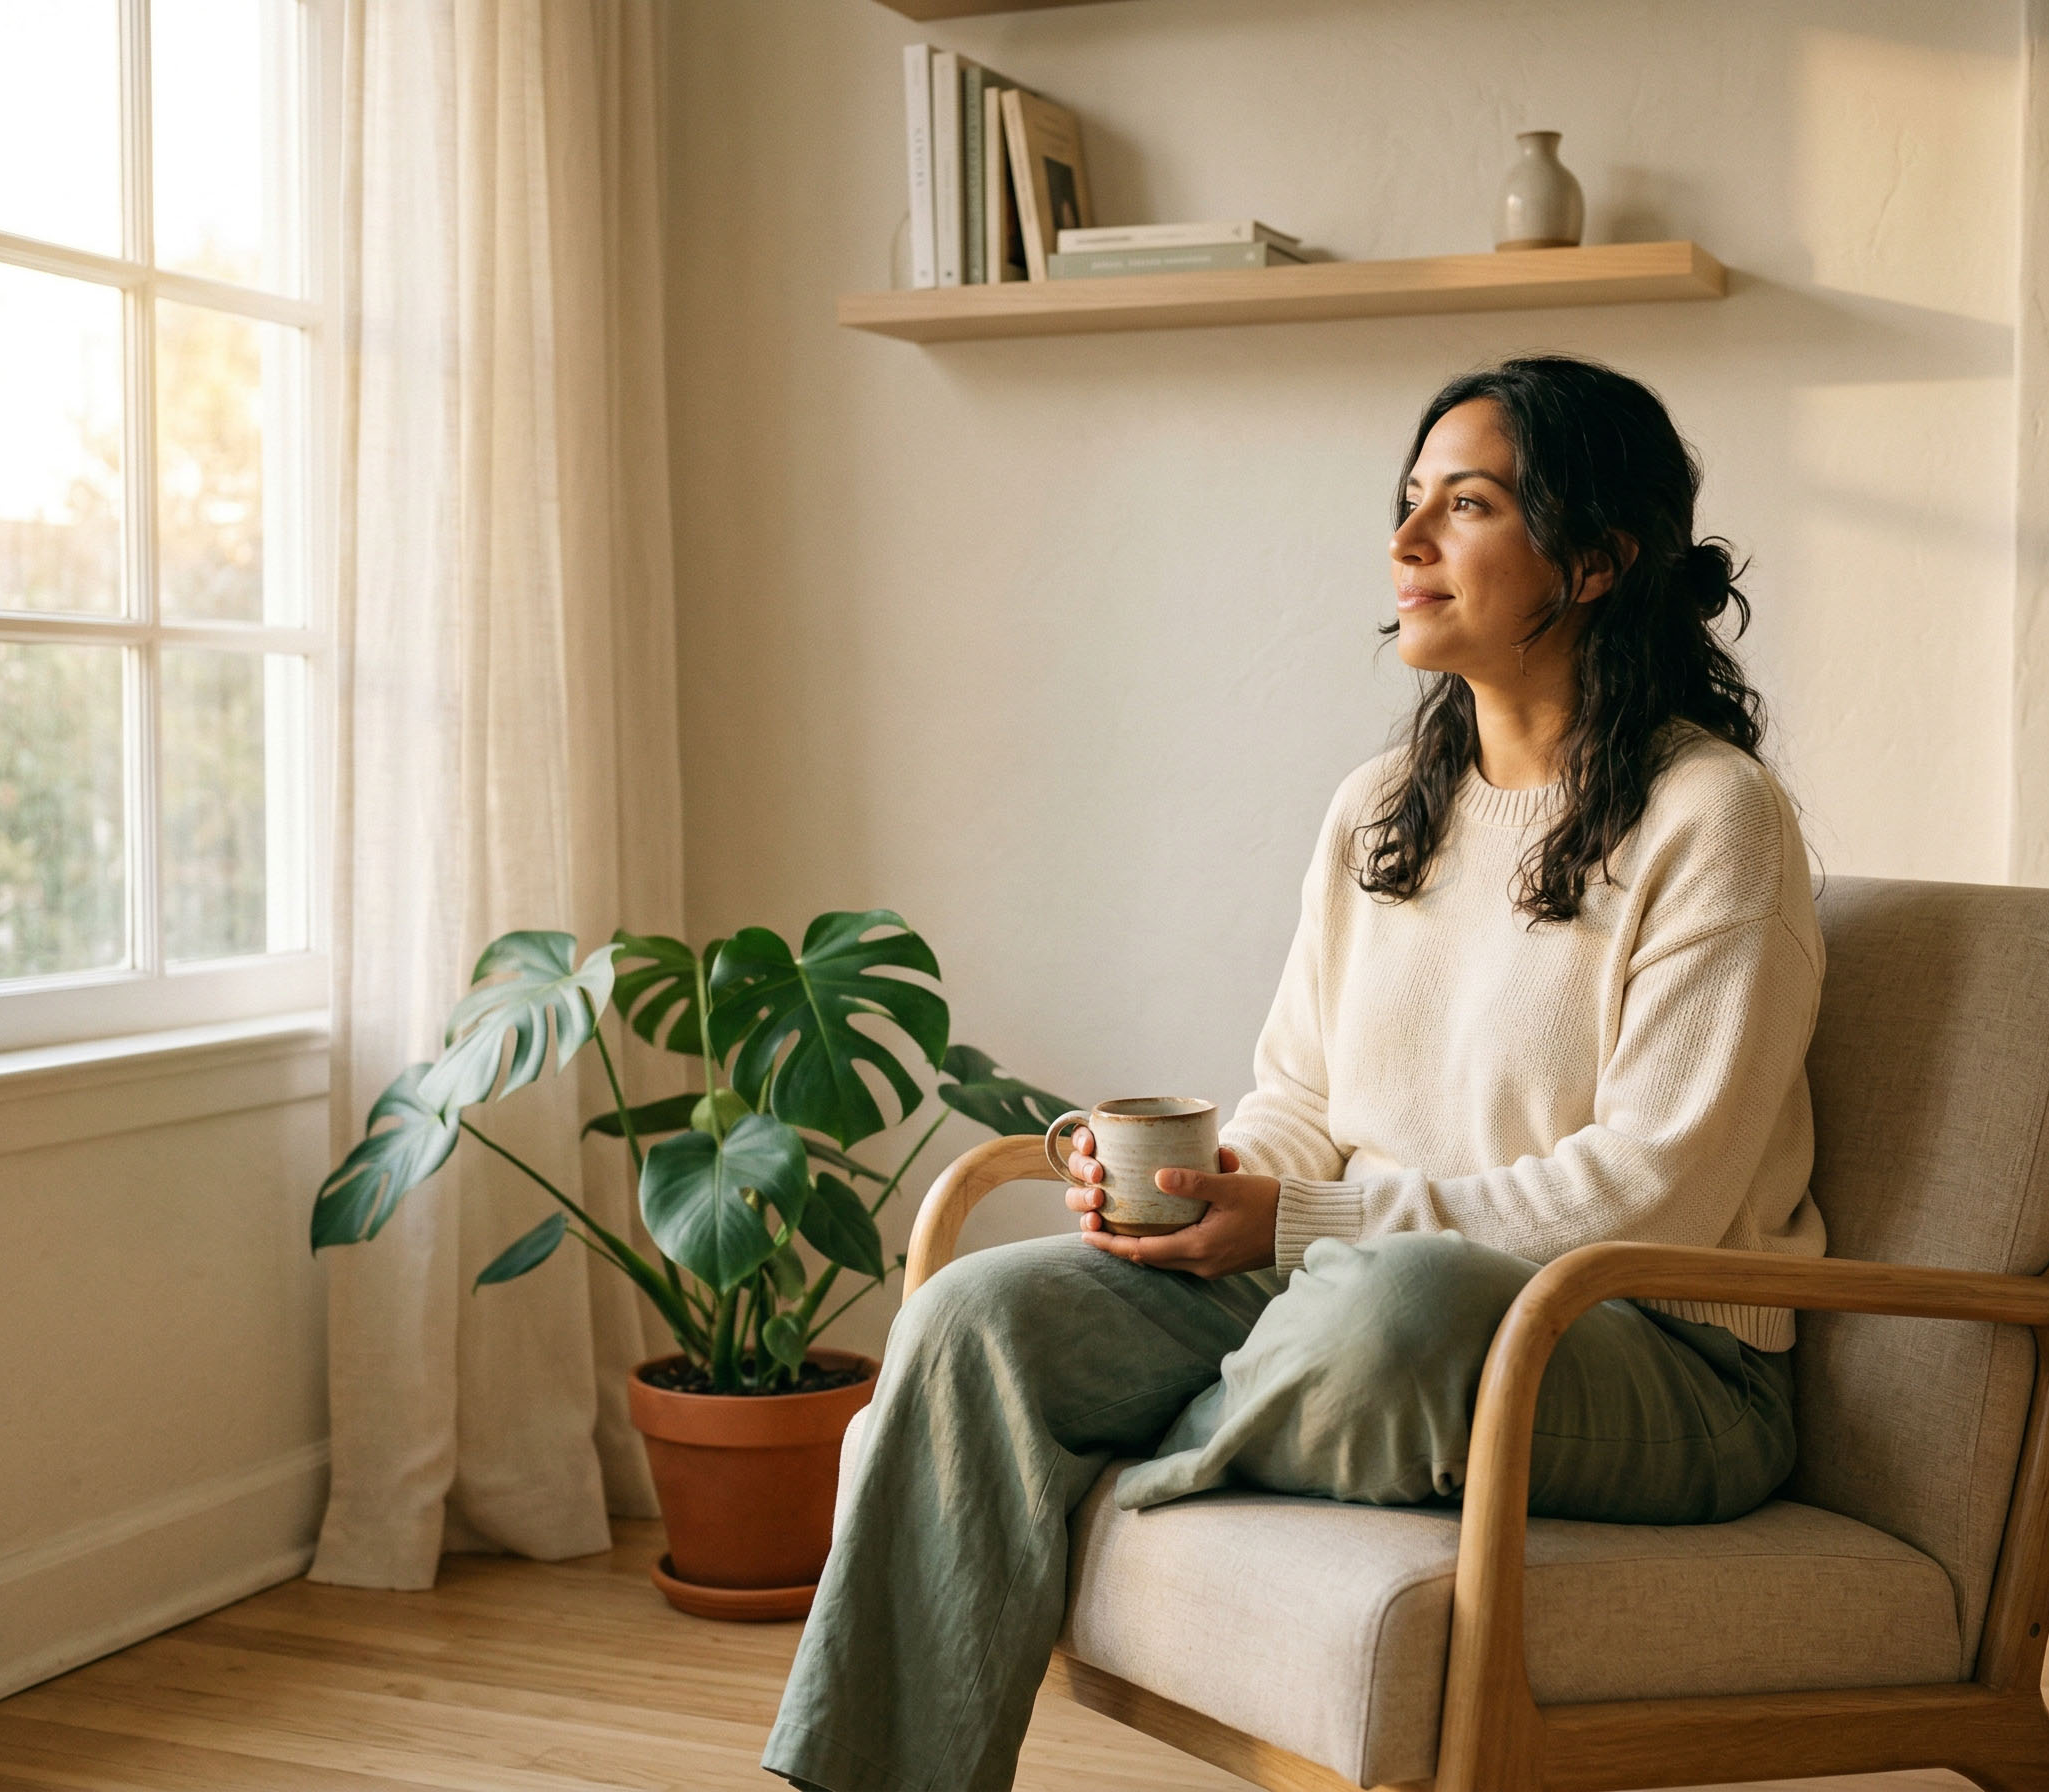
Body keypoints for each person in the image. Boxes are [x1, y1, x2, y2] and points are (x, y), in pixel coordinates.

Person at [762, 355, 1827, 1792]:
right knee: (974, 1317)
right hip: (1336, 1298)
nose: (1406, 545)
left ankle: (1118, 1456)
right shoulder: (1383, 809)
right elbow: (1302, 1108)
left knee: (1406, 1302)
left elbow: (1650, 1194)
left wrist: (1301, 1232)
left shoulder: (1717, 819)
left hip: (1646, 1352)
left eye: (1467, 507)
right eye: (1408, 504)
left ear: (1593, 562)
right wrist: (1217, 1189)